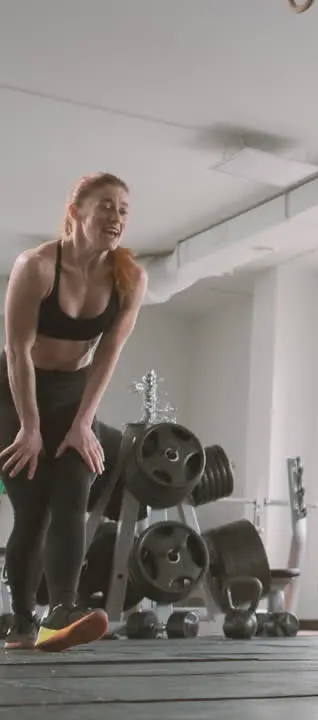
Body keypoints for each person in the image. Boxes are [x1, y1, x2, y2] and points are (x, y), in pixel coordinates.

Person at [2, 172, 147, 652]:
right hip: (13, 391)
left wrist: (84, 422)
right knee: (34, 502)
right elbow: (17, 351)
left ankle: (61, 608)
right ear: (75, 212)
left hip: (71, 393)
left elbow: (107, 354)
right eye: (106, 205)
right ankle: (22, 621)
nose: (116, 217)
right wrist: (29, 428)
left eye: (124, 209)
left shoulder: (130, 278)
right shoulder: (37, 266)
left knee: (76, 478)